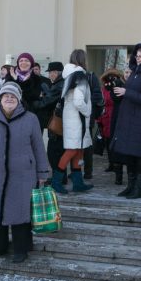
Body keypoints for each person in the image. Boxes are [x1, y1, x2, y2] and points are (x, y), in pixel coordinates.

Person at [0, 81, 50, 263]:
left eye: (13, 96)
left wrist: (42, 172)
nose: (9, 99)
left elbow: (38, 147)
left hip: (23, 174)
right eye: (6, 96)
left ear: (19, 99)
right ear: (0, 99)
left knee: (20, 212)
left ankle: (21, 249)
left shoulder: (30, 119)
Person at [110, 43, 141, 199]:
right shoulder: (135, 73)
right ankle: (130, 186)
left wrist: (127, 91)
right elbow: (130, 94)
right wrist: (118, 92)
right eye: (137, 56)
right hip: (128, 120)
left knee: (139, 155)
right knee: (129, 155)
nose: (138, 59)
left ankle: (138, 188)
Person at [52, 49, 93, 193]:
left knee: (78, 150)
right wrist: (88, 111)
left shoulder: (68, 75)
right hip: (77, 119)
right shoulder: (80, 75)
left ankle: (78, 183)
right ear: (83, 60)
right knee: (71, 150)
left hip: (70, 118)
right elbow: (78, 100)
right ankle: (56, 182)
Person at [97, 69, 125, 185]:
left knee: (116, 143)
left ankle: (117, 166)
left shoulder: (118, 87)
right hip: (106, 117)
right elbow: (102, 102)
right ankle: (111, 163)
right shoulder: (104, 89)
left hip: (116, 116)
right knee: (108, 142)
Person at [8, 52, 45, 126]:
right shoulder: (10, 76)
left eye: (27, 61)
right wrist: (16, 79)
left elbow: (33, 96)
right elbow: (9, 94)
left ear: (31, 63)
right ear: (18, 63)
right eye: (21, 61)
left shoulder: (36, 79)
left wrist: (18, 81)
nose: (23, 62)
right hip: (12, 114)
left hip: (30, 115)